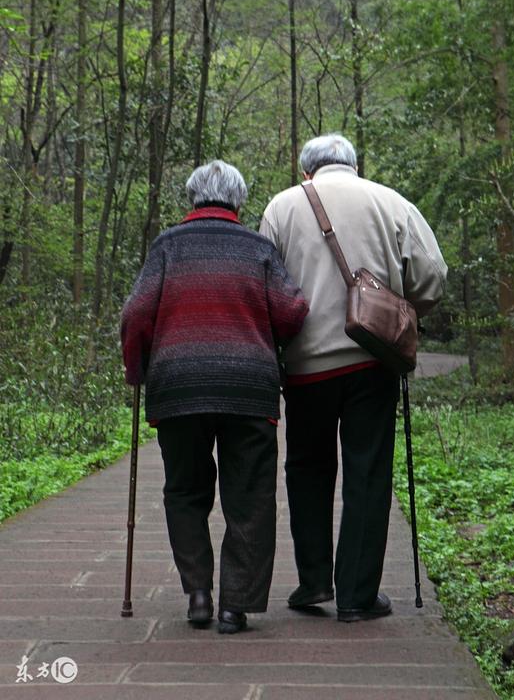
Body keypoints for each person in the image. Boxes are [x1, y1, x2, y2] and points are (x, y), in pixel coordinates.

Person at [260, 134, 447, 622]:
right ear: (354, 165)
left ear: (308, 173)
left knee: (307, 469)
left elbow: (265, 284)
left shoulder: (281, 207)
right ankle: (358, 596)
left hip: (305, 365)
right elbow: (432, 277)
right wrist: (400, 311)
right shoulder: (391, 201)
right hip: (372, 359)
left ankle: (314, 581)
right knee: (367, 472)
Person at [121, 160, 308, 634]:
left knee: (185, 490)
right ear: (239, 201)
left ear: (192, 198)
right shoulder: (258, 248)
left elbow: (136, 314)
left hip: (178, 386)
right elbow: (290, 313)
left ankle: (198, 595)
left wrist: (137, 370)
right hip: (249, 388)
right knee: (250, 497)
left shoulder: (167, 246)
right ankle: (235, 606)